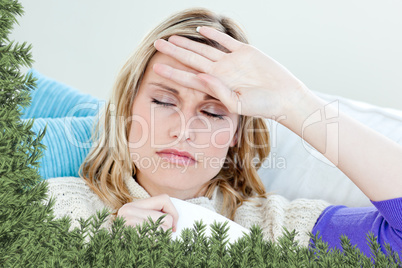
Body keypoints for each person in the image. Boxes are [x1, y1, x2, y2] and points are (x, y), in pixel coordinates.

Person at [44, 7, 402, 257]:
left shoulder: (277, 229)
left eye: (213, 111)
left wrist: (296, 102)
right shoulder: (59, 207)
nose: (184, 130)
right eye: (164, 102)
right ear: (127, 110)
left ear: (235, 133)